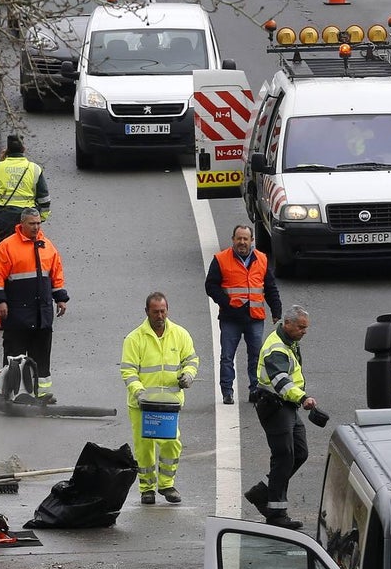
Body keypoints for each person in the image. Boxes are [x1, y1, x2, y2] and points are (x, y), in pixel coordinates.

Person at [120, 292, 199, 505]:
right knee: (144, 447)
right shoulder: (134, 339)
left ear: (168, 310)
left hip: (168, 404)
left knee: (171, 444)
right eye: (155, 311)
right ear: (147, 312)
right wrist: (139, 392)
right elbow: (128, 371)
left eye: (163, 311)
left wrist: (189, 375)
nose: (160, 315)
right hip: (142, 405)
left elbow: (191, 359)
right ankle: (147, 488)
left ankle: (166, 484)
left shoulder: (180, 335)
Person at [0, 209, 69, 403]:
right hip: (17, 314)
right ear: (22, 224)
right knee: (14, 358)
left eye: (38, 223)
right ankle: (10, 394)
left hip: (42, 315)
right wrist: (0, 301)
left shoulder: (47, 247)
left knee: (42, 357)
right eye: (32, 223)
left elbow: (56, 275)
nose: (36, 227)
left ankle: (41, 394)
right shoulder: (7, 247)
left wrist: (61, 298)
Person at [249, 305, 318, 529]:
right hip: (275, 405)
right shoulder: (276, 348)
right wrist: (302, 397)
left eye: (306, 328)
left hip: (286, 406)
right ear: (287, 324)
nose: (304, 332)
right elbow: (280, 380)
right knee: (284, 455)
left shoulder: (289, 341)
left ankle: (262, 492)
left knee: (299, 452)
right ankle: (276, 513)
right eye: (300, 327)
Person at [204, 225, 281, 405]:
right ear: (233, 239)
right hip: (231, 318)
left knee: (256, 356)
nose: (242, 242)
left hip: (254, 317)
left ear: (251, 240)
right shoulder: (221, 259)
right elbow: (211, 286)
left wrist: (276, 309)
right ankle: (227, 391)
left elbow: (270, 287)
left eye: (246, 239)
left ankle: (255, 389)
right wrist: (226, 303)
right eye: (239, 238)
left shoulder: (261, 259)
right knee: (227, 356)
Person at [0, 135, 51, 246]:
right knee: (28, 249)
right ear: (24, 149)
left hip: (4, 216)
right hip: (28, 217)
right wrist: (41, 218)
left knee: (3, 250)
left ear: (7, 150)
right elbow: (44, 199)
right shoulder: (34, 168)